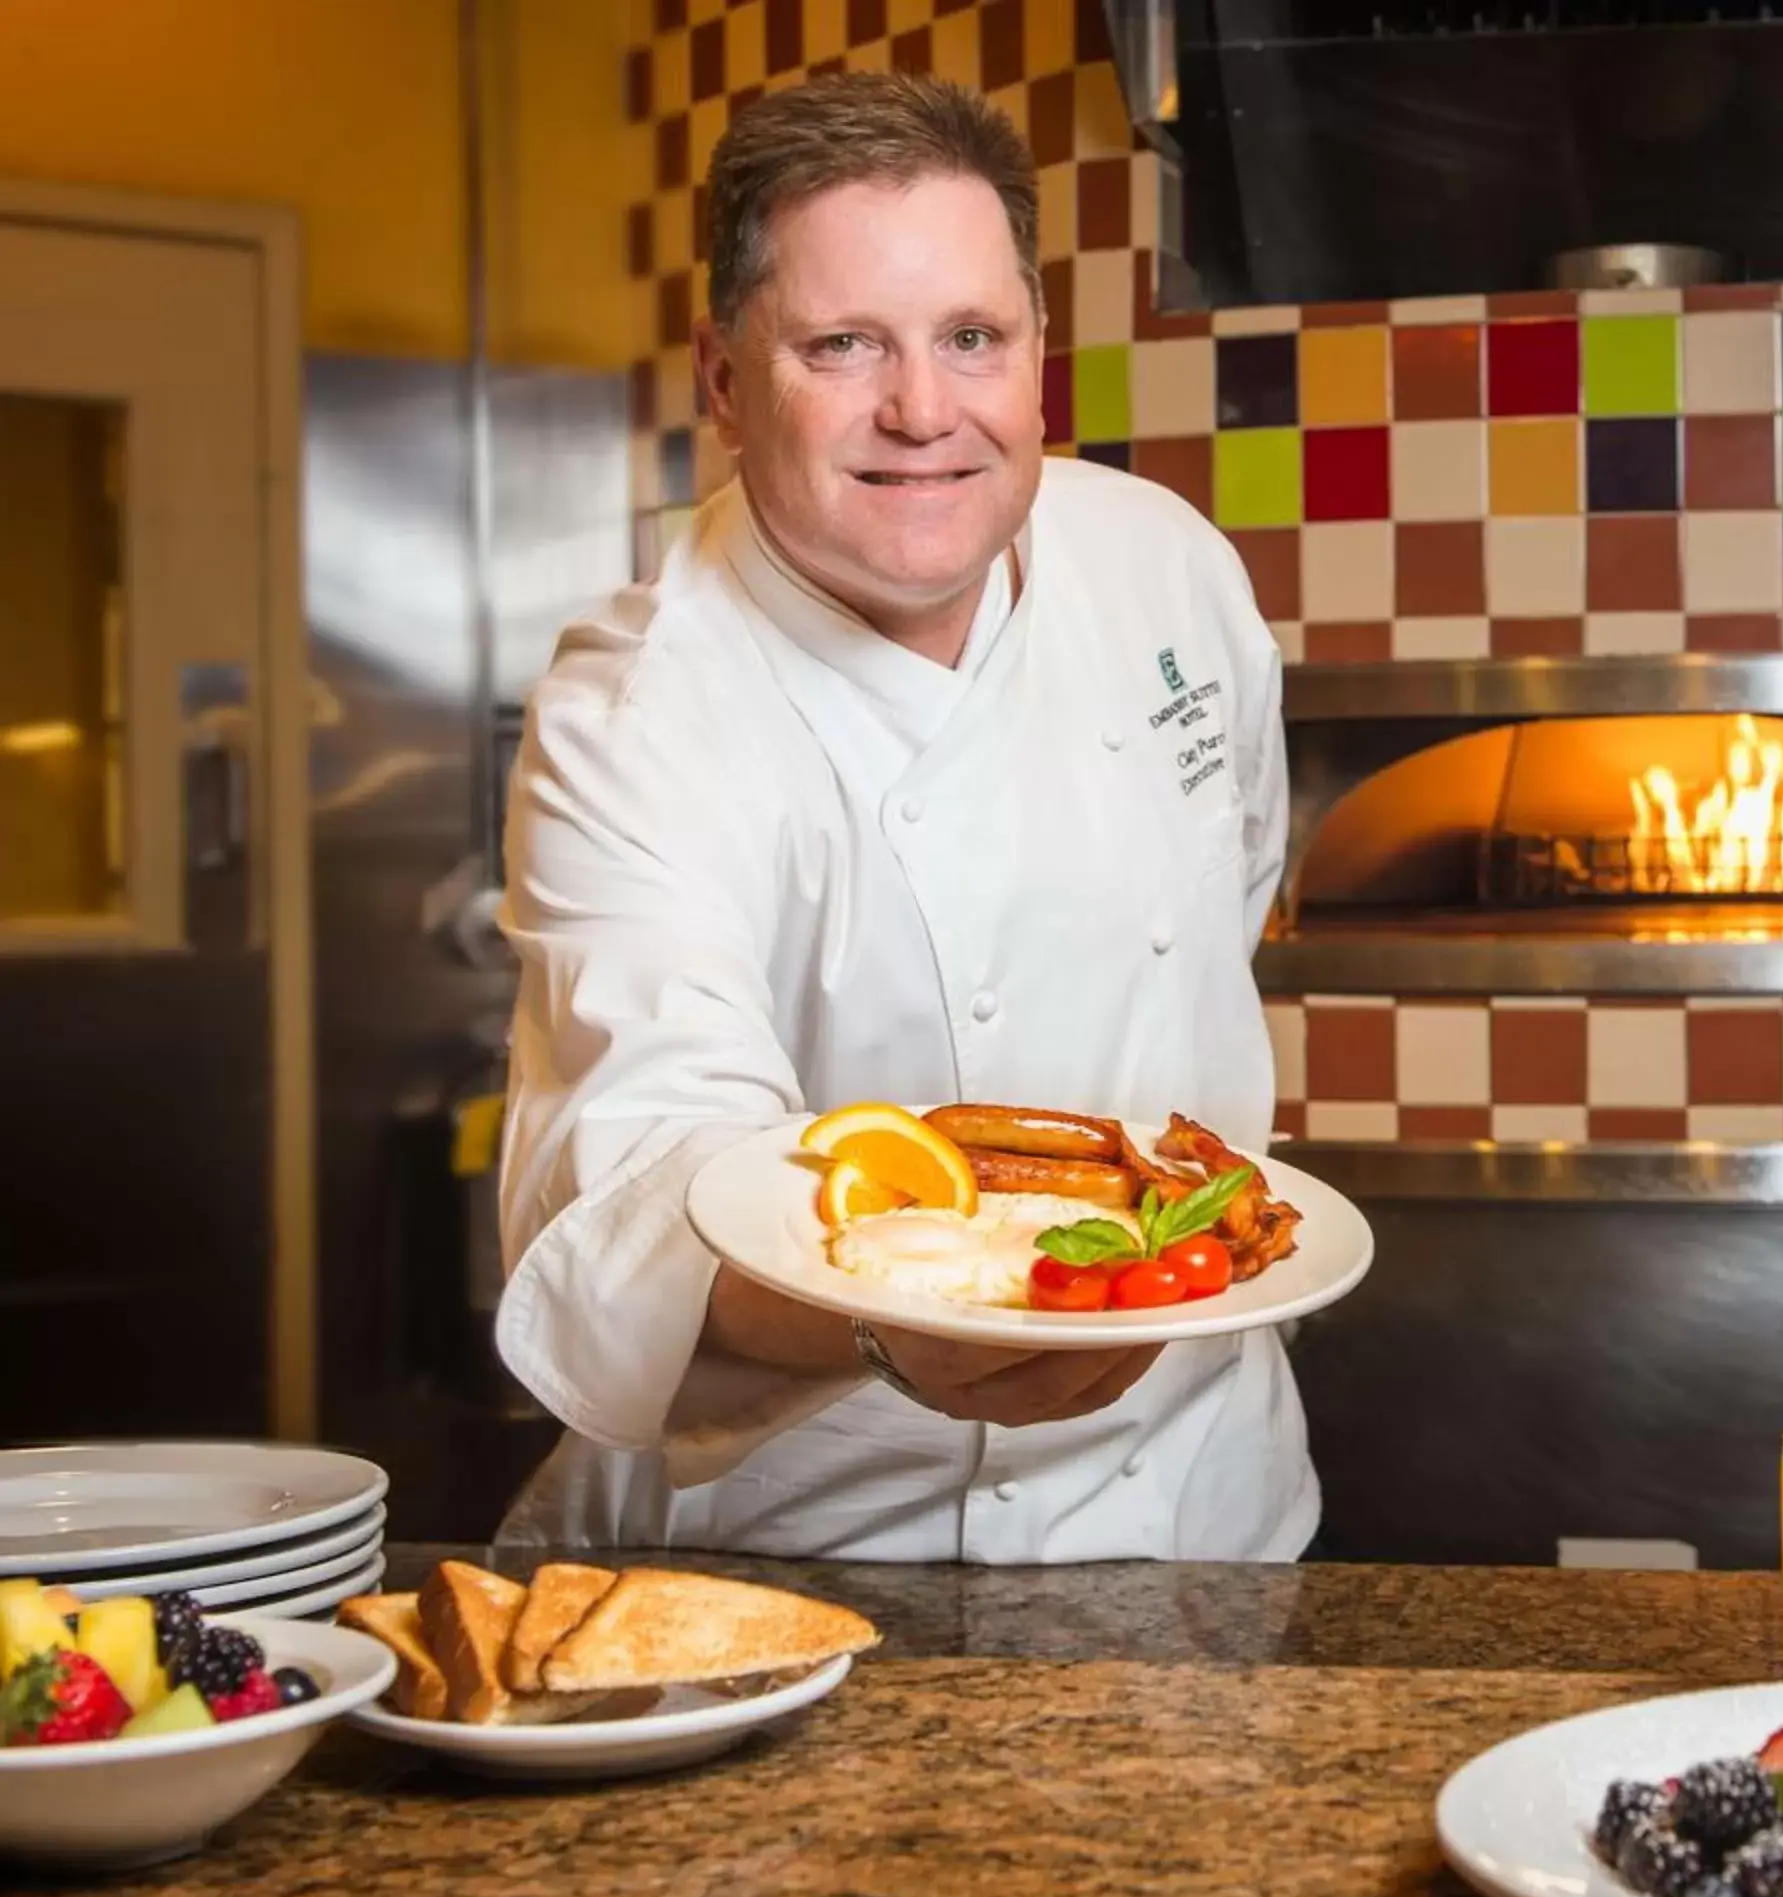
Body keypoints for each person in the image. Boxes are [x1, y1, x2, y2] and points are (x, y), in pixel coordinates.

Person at [489, 72, 1313, 1561]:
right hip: (800, 1561)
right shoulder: (637, 711)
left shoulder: (1164, 569)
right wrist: (901, 1324)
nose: (923, 412)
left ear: (1038, 363)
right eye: (842, 346)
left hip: (1207, 1516)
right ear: (727, 382)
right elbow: (644, 1176)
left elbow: (1228, 895)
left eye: (971, 340)